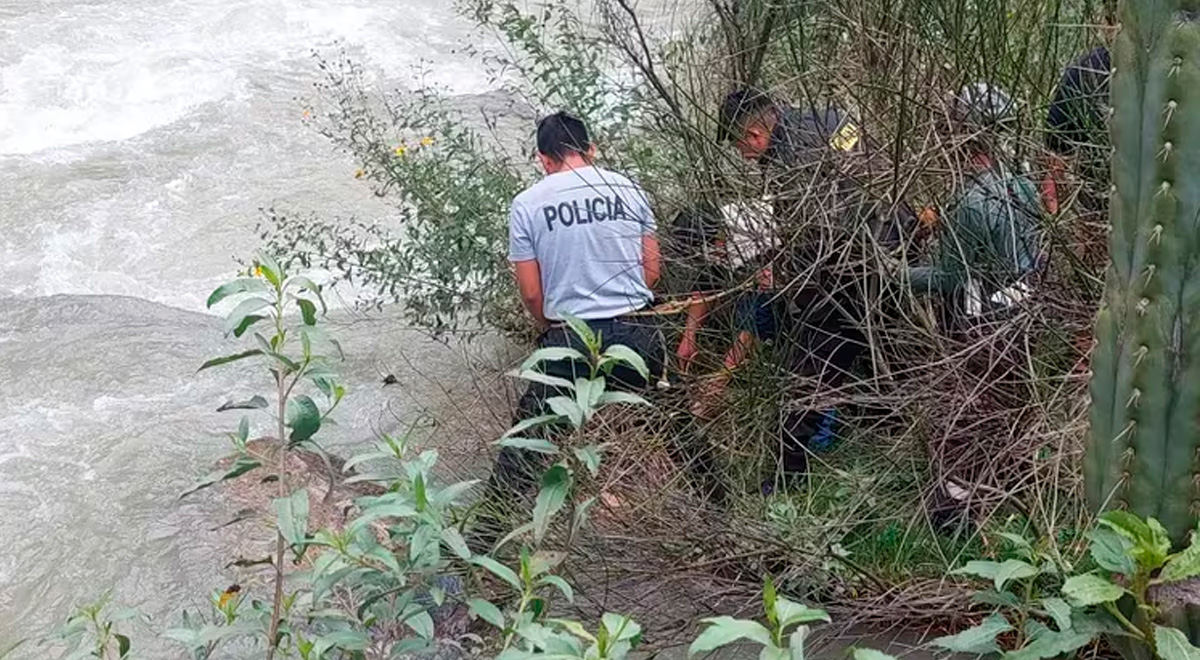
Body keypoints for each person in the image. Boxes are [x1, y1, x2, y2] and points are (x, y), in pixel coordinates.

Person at [473, 111, 664, 549]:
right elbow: (652, 271)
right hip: (638, 336)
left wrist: (548, 326)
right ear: (591, 149)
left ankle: (482, 546)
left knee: (523, 448)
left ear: (543, 160)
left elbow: (532, 293)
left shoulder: (528, 203)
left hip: (569, 344)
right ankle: (720, 506)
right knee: (677, 427)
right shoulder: (629, 189)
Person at [907, 83, 1043, 327]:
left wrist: (894, 273)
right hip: (1023, 314)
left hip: (982, 328)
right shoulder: (1024, 187)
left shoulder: (973, 203)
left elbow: (948, 278)